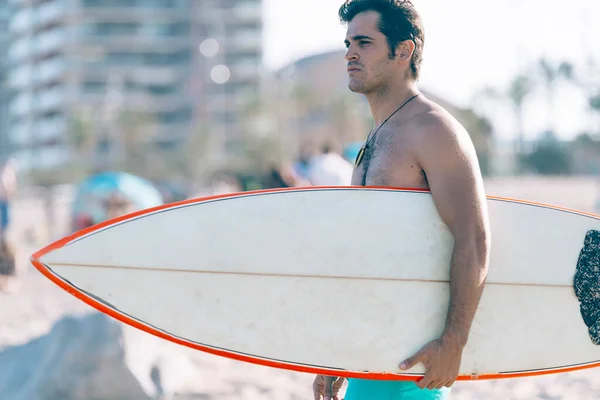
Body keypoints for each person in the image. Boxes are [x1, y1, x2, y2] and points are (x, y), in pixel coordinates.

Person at [313, 1, 491, 399]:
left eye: (364, 42)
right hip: (371, 353)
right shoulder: (373, 140)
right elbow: (365, 254)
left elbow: (474, 239)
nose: (349, 53)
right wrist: (339, 351)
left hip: (412, 367)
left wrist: (454, 341)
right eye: (347, 43)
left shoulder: (433, 130)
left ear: (404, 51)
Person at [0, 158, 17, 236]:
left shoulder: (6, 172)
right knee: (4, 222)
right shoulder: (7, 173)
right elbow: (6, 185)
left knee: (5, 222)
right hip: (4, 198)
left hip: (5, 198)